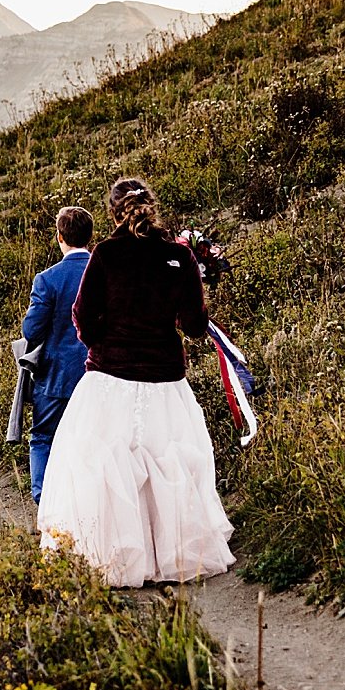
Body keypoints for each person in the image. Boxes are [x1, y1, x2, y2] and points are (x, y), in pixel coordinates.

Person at [36, 177, 233, 586]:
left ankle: (120, 554)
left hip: (110, 378)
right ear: (152, 207)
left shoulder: (106, 255)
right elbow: (196, 326)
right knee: (168, 463)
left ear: (112, 211)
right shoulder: (178, 256)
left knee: (109, 465)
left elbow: (82, 314)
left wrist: (101, 345)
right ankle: (170, 553)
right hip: (165, 378)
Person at [20, 206, 93, 503]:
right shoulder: (103, 272)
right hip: (97, 372)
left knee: (43, 436)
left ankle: (44, 499)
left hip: (56, 375)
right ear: (90, 236)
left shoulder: (47, 279)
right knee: (90, 438)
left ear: (60, 237)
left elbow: (31, 331)